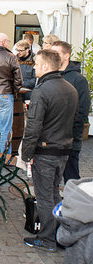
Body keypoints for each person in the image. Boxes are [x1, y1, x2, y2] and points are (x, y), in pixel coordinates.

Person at [21, 49, 78, 252]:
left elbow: (34, 127)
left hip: (46, 151)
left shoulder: (42, 90)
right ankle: (56, 234)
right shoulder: (70, 88)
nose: (34, 67)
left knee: (45, 196)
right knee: (53, 193)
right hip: (63, 150)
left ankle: (47, 238)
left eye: (36, 64)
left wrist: (25, 154)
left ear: (45, 66)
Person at [52, 41, 91, 183]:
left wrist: (72, 135)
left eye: (56, 53)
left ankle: (75, 204)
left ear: (67, 56)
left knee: (71, 178)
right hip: (51, 141)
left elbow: (82, 111)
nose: (53, 56)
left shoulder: (78, 80)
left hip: (69, 140)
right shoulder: (51, 75)